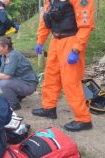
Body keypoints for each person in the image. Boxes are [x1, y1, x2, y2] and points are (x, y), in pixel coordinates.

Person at [32, 0, 95, 132]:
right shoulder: (49, 1)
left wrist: (77, 48)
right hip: (55, 41)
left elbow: (85, 25)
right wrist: (40, 41)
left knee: (71, 81)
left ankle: (83, 119)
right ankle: (49, 108)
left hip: (71, 41)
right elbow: (45, 21)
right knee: (50, 76)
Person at [0, 36, 38, 110]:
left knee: (4, 83)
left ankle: (14, 104)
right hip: (20, 82)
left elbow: (6, 76)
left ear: (6, 47)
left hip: (28, 84)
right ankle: (17, 97)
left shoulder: (13, 56)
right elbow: (0, 72)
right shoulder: (4, 56)